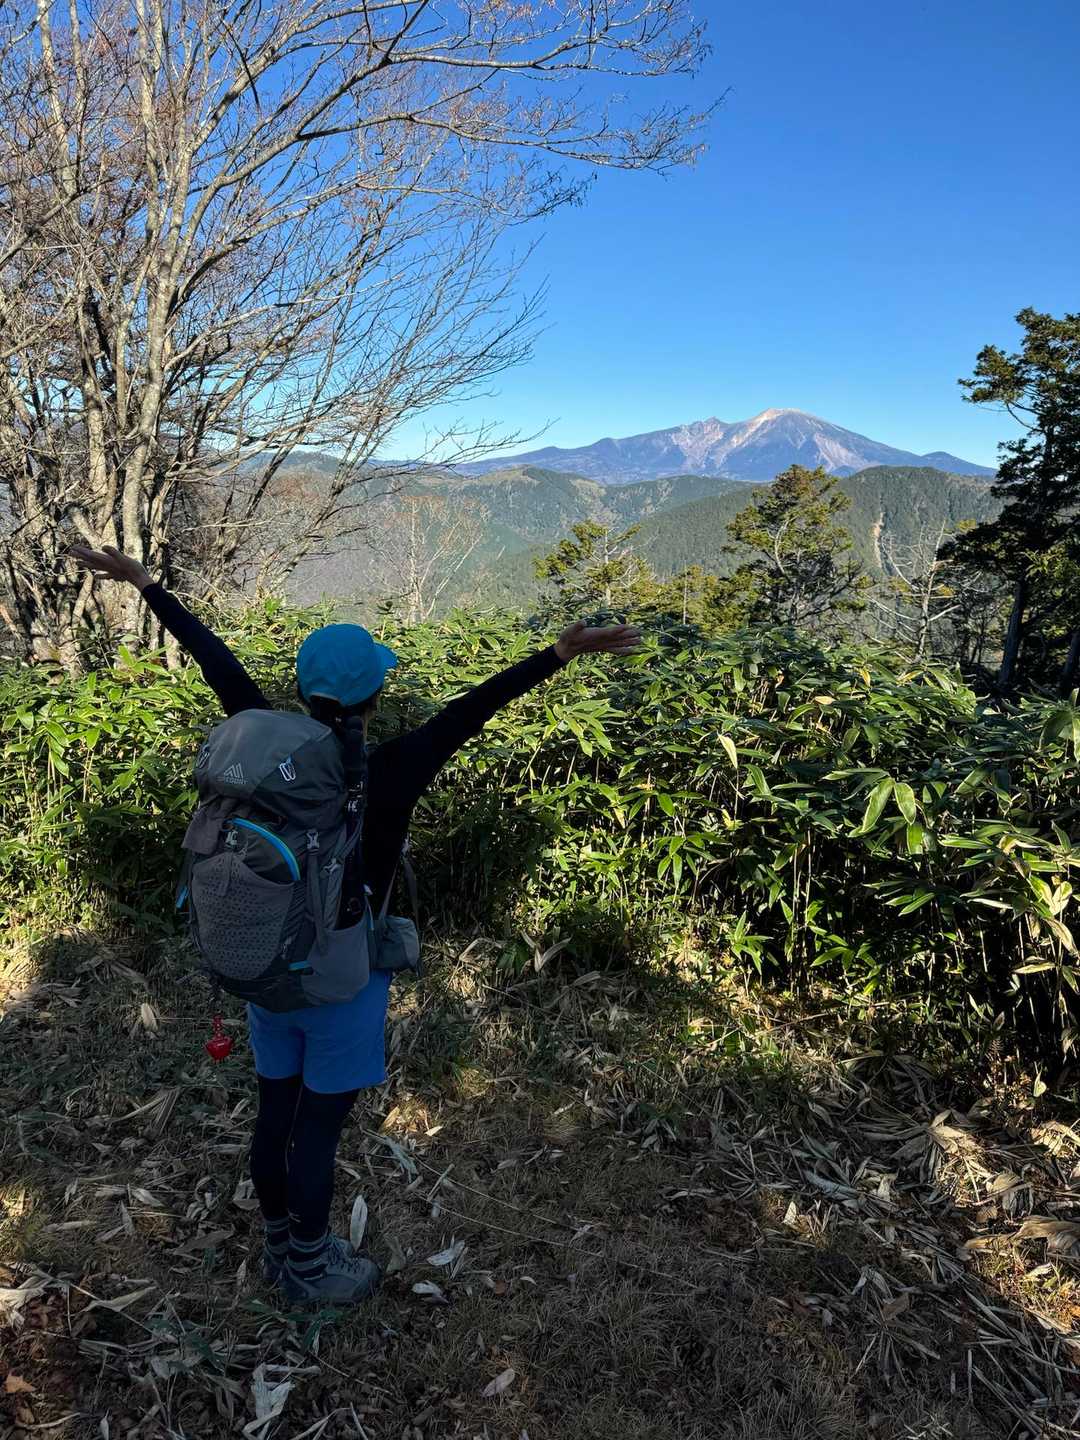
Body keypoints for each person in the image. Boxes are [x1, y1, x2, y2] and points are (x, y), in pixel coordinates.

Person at [69, 544, 641, 1304]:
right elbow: (474, 710)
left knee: (276, 1115)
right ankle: (310, 1268)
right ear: (376, 693)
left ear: (301, 691)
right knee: (318, 1130)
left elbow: (215, 662)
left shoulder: (267, 753)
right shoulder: (394, 769)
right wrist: (558, 655)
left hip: (267, 966)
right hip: (343, 982)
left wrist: (148, 585)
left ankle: (280, 1245)